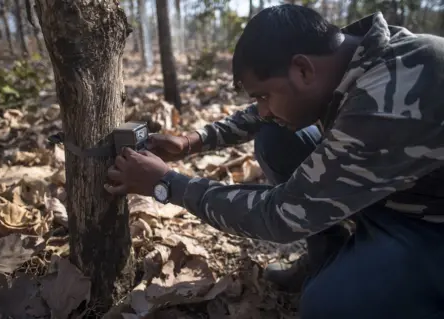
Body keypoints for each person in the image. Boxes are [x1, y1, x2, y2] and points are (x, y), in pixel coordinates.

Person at [105, 5, 444, 318]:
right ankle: (328, 258)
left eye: (264, 95)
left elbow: (279, 215)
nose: (263, 108)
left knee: (329, 305)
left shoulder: (387, 96)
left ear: (302, 69)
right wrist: (193, 141)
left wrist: (166, 184)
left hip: (428, 227)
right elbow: (262, 114)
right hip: (402, 197)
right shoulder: (355, 55)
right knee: (276, 133)